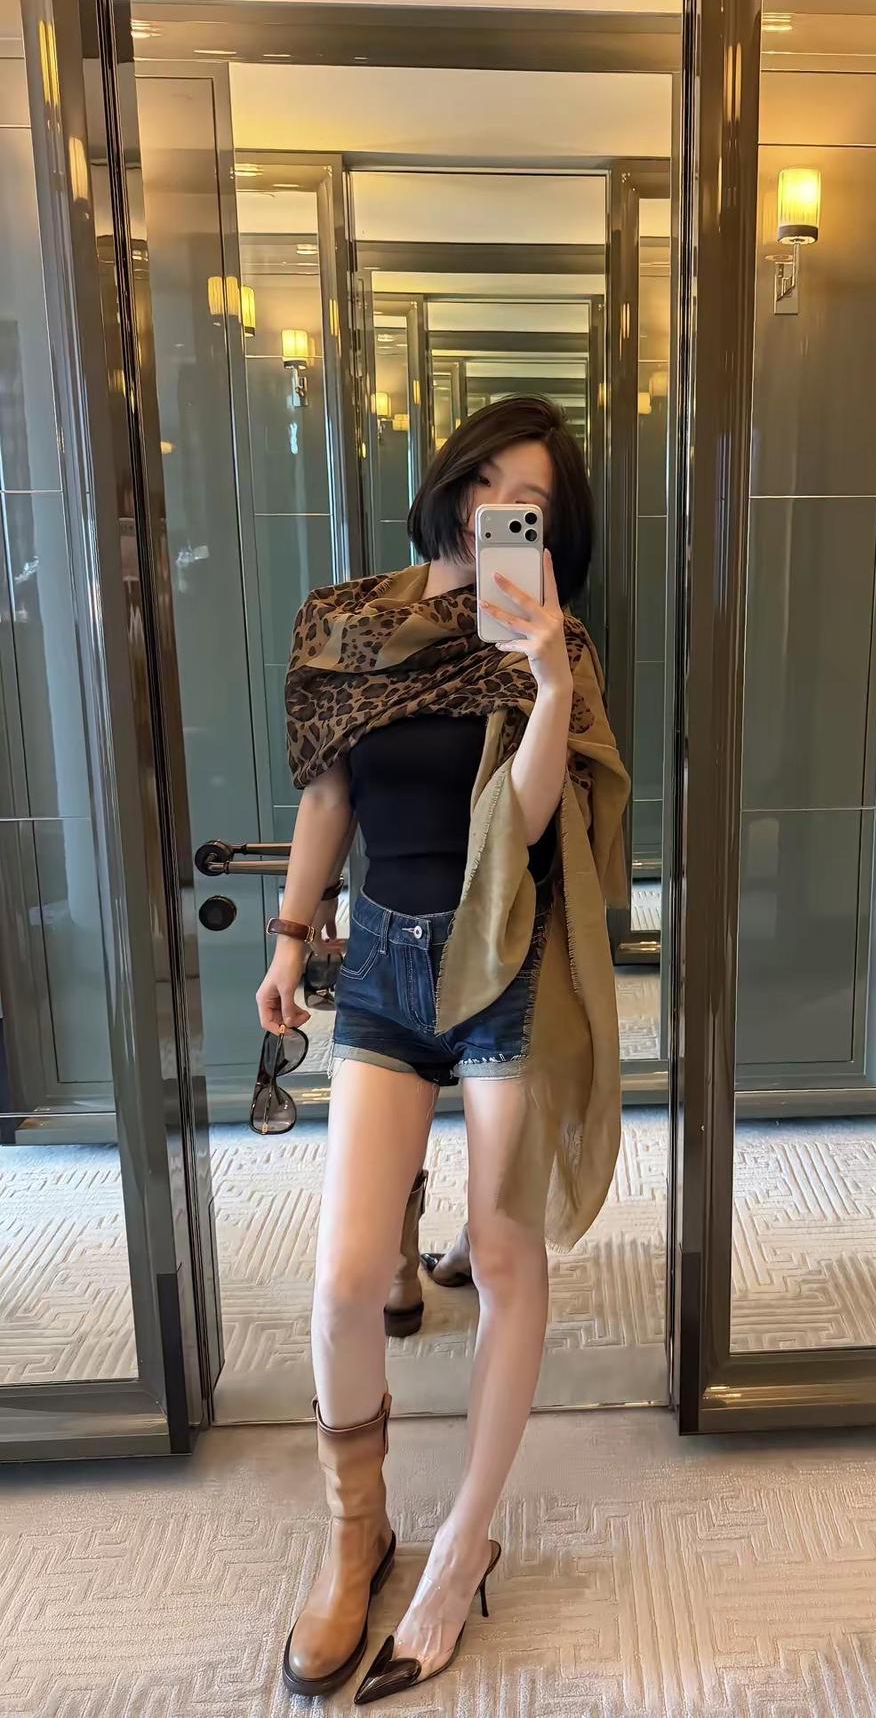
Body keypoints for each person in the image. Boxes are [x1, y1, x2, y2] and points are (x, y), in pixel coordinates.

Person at [257, 396, 630, 1703]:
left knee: (509, 1256)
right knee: (348, 1276)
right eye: (483, 482)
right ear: (449, 483)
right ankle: (356, 1535)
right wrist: (289, 938)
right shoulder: (347, 621)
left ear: (554, 528)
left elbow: (524, 829)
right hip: (383, 966)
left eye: (527, 501)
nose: (494, 512)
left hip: (502, 964)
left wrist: (549, 682)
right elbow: (329, 793)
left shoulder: (552, 643)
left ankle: (464, 1544)